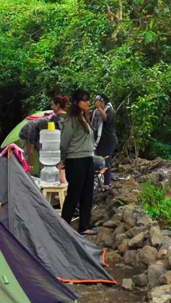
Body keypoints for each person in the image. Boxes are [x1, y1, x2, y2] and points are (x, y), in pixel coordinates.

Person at [58, 89, 96, 235]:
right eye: (84, 100)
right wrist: (63, 159)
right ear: (76, 102)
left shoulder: (85, 117)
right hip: (75, 159)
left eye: (88, 100)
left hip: (88, 158)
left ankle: (84, 226)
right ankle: (64, 224)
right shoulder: (71, 119)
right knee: (74, 193)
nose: (87, 103)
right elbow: (64, 142)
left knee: (87, 192)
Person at [20, 95, 69, 174]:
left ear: (58, 105)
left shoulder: (60, 118)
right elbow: (30, 150)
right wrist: (31, 166)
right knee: (33, 155)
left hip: (44, 134)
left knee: (45, 152)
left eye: (52, 104)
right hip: (25, 134)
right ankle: (28, 174)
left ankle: (45, 172)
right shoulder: (32, 129)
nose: (51, 107)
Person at [92, 94, 118, 189]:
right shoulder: (96, 112)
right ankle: (102, 181)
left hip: (108, 141)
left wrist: (99, 108)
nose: (97, 103)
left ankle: (107, 183)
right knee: (99, 162)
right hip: (100, 141)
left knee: (105, 161)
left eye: (100, 102)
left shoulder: (110, 110)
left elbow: (106, 118)